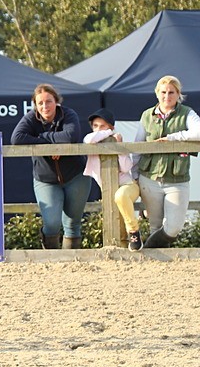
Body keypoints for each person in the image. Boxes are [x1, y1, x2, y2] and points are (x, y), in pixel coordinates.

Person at [11, 83, 89, 248]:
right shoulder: (31, 118)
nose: (45, 106)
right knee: (52, 223)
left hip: (76, 175)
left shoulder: (68, 114)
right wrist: (48, 147)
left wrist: (42, 138)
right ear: (35, 105)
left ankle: (71, 264)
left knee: (73, 224)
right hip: (46, 179)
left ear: (56, 101)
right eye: (40, 103)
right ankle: (51, 261)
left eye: (48, 101)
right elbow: (16, 138)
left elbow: (70, 136)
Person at [133, 75, 200, 248]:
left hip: (177, 179)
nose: (167, 96)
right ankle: (158, 265)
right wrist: (134, 175)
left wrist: (173, 138)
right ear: (157, 93)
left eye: (171, 92)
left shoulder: (187, 113)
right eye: (163, 92)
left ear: (178, 94)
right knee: (155, 225)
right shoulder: (146, 115)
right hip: (149, 177)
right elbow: (137, 146)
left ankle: (147, 249)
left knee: (173, 228)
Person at [82, 108, 143, 250]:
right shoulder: (91, 139)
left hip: (128, 185)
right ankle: (124, 249)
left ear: (111, 126)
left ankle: (134, 231)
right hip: (109, 190)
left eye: (102, 126)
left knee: (121, 196)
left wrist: (118, 147)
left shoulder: (116, 141)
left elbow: (126, 167)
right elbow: (90, 139)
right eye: (95, 126)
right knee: (117, 224)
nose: (98, 129)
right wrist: (109, 133)